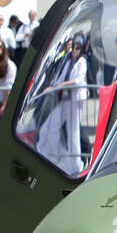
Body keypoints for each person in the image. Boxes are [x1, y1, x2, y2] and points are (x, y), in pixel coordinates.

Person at [36, 34, 90, 175]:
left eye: (78, 48)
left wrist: (57, 86)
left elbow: (77, 81)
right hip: (65, 98)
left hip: (75, 99)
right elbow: (60, 77)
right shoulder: (67, 60)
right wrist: (53, 87)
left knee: (73, 132)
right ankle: (52, 156)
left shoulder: (82, 61)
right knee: (49, 127)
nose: (75, 50)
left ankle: (75, 164)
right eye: (73, 47)